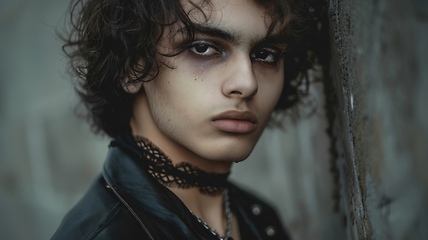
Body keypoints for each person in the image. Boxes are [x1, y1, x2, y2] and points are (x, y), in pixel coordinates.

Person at [52, 0, 325, 239]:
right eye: (203, 48)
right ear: (132, 66)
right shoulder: (104, 234)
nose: (247, 82)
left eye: (266, 55)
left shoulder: (260, 218)